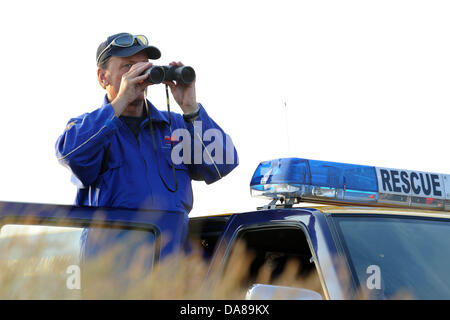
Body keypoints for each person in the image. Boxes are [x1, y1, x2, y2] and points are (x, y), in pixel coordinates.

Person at [55, 32, 239, 262]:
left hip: (167, 272)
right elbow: (72, 155)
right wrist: (120, 101)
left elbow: (222, 163)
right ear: (103, 78)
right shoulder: (87, 128)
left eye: (143, 65)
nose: (138, 73)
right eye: (128, 66)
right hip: (108, 274)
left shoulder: (175, 126)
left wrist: (191, 108)